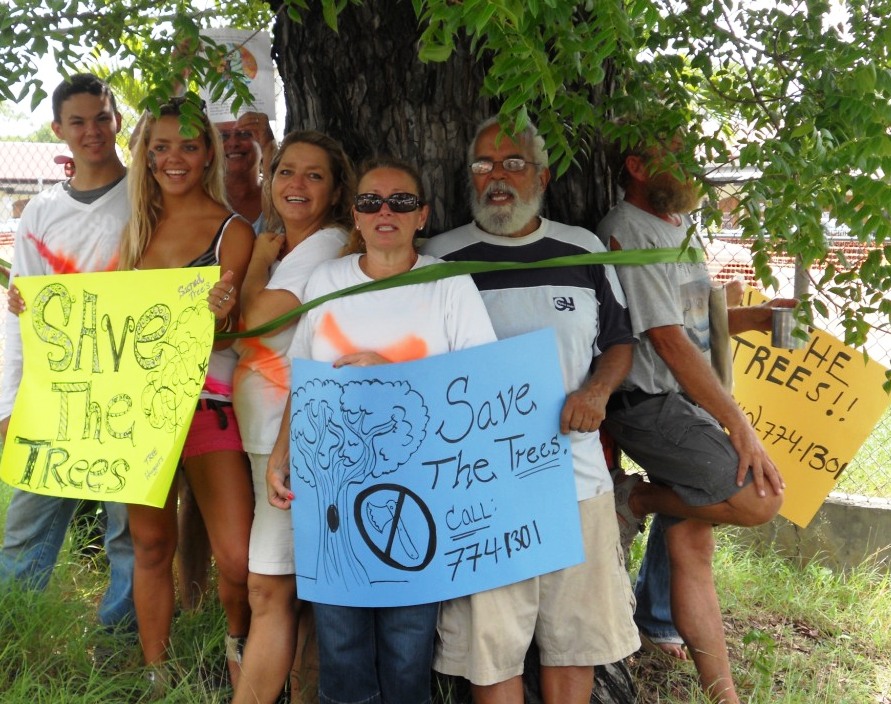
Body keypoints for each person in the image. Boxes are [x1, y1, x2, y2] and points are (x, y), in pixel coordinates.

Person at [423, 118, 640, 704]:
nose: (497, 177)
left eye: (512, 163)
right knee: (492, 650)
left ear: (542, 176)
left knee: (575, 642)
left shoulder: (584, 248)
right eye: (483, 165)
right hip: (480, 490)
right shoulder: (439, 258)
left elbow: (619, 342)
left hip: (576, 481)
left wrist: (595, 394)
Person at [266, 156, 497, 704]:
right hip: (332, 492)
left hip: (421, 491)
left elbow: (482, 383)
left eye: (400, 202)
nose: (384, 211)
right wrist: (281, 457)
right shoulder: (327, 281)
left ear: (423, 215)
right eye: (370, 202)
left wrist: (393, 375)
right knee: (341, 640)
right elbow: (304, 380)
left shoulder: (448, 284)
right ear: (356, 215)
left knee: (407, 639)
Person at [596, 129, 789, 704]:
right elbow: (667, 341)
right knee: (758, 498)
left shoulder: (681, 227)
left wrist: (758, 316)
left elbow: (696, 320)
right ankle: (637, 500)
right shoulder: (627, 229)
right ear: (636, 165)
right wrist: (740, 424)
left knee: (693, 547)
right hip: (651, 405)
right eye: (675, 157)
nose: (692, 168)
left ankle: (723, 696)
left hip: (685, 404)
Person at [118, 96, 255, 691]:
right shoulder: (132, 228)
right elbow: (101, 322)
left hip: (206, 406)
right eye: (161, 146)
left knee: (237, 558)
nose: (174, 158)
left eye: (189, 146)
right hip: (135, 412)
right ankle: (156, 673)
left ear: (209, 156)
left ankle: (238, 648)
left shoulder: (233, 230)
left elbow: (233, 335)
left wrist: (224, 314)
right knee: (150, 545)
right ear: (147, 154)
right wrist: (32, 304)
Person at [0, 73, 135, 633]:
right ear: (58, 129)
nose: (91, 131)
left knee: (127, 534)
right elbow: (20, 319)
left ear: (117, 122)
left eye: (101, 117)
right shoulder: (40, 214)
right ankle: (13, 638)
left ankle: (119, 645)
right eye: (77, 121)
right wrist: (9, 402)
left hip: (131, 396)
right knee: (24, 527)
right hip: (54, 398)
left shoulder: (148, 199)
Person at [231, 131, 356, 704]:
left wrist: (256, 261)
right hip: (272, 430)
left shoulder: (323, 246)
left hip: (294, 434)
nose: (296, 185)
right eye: (286, 172)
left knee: (271, 585)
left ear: (335, 191)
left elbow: (256, 319)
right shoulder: (294, 247)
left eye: (314, 175)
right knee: (294, 585)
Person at [176, 110, 277, 612]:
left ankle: (244, 615)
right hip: (202, 382)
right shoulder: (196, 205)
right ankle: (192, 602)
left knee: (245, 512)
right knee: (195, 505)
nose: (236, 142)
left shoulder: (275, 206)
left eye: (247, 134)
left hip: (255, 374)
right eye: (225, 135)